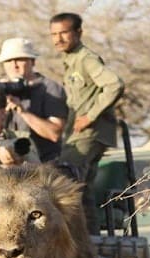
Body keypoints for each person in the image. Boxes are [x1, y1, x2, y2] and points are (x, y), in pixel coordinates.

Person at [50, 12, 125, 234]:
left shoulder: (85, 58)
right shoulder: (71, 59)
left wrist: (90, 116)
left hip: (90, 133)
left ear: (79, 33)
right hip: (80, 133)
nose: (58, 39)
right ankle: (91, 239)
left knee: (65, 177)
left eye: (64, 32)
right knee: (82, 189)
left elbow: (114, 84)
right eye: (53, 34)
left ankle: (77, 239)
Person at [0, 37, 68, 162]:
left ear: (32, 61)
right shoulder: (1, 89)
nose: (14, 65)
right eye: (8, 61)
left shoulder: (50, 89)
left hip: (45, 164)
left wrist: (23, 112)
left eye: (19, 59)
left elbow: (54, 134)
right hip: (8, 164)